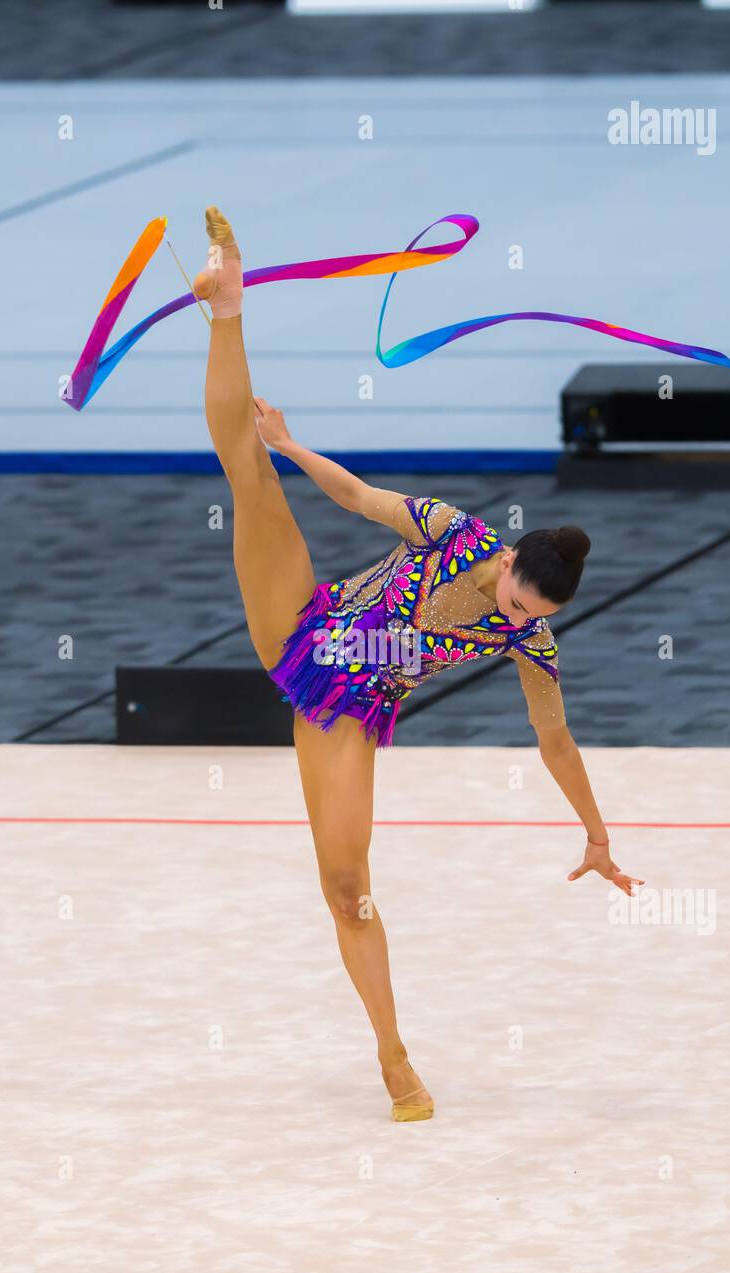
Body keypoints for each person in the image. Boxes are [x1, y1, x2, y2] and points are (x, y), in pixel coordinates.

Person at [194, 207, 643, 1123]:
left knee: (348, 888)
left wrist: (596, 832)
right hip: (305, 626)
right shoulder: (453, 531)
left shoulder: (530, 640)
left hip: (346, 706)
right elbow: (358, 497)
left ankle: (394, 1058)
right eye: (517, 599)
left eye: (534, 616)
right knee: (249, 470)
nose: (514, 616)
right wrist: (292, 444)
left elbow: (554, 740)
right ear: (510, 559)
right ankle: (228, 303)